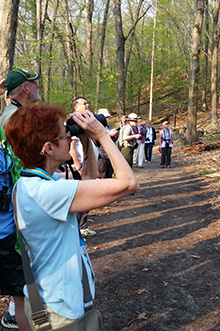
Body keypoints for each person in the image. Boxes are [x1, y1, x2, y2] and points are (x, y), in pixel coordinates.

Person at [4, 104, 139, 329]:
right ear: (48, 148)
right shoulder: (49, 193)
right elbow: (128, 183)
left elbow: (89, 180)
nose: (70, 139)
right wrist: (103, 136)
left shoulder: (28, 184)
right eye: (65, 134)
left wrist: (86, 139)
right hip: (61, 310)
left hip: (47, 298)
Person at [0, 68, 40, 330]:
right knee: (25, 290)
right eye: (33, 83)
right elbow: (19, 168)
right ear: (25, 88)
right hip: (14, 217)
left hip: (12, 213)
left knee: (21, 289)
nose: (37, 87)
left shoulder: (11, 115)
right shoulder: (15, 119)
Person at [0, 132, 31, 331]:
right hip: (8, 236)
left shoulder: (4, 147)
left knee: (21, 297)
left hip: (10, 235)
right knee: (22, 297)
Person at [69, 97, 99, 237]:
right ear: (75, 107)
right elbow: (71, 146)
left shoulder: (84, 122)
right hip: (81, 167)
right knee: (82, 198)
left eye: (88, 102)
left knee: (87, 198)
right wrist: (77, 164)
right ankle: (79, 228)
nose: (87, 105)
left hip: (88, 166)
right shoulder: (73, 123)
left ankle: (83, 227)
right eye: (84, 103)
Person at [96, 108, 118, 178]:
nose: (107, 119)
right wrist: (109, 135)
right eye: (105, 117)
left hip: (110, 155)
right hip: (101, 155)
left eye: (108, 117)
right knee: (102, 175)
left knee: (109, 175)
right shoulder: (96, 127)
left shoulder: (108, 126)